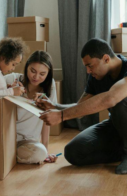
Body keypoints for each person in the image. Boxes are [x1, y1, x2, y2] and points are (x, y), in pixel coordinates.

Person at [37, 38, 127, 174]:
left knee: (119, 100)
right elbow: (81, 108)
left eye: (90, 66)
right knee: (73, 152)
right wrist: (55, 106)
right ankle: (123, 152)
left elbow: (111, 98)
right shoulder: (96, 77)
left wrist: (61, 116)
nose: (88, 71)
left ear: (106, 59)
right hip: (116, 126)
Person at [0, 50, 58, 164]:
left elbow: (47, 120)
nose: (36, 77)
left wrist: (46, 150)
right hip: (6, 137)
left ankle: (4, 155)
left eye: (42, 74)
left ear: (48, 74)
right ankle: (5, 154)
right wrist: (8, 89)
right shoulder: (14, 79)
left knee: (40, 153)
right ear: (26, 67)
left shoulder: (50, 87)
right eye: (32, 71)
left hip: (28, 142)